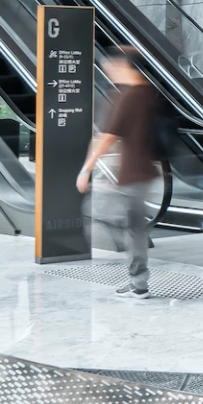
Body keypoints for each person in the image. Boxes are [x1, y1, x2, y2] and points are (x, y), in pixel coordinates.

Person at [75, 48, 162, 298]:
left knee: (104, 214)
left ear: (123, 66)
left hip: (133, 173)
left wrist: (86, 169)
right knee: (134, 226)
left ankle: (139, 282)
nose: (108, 71)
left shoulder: (128, 96)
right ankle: (139, 282)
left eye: (111, 66)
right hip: (146, 170)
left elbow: (107, 138)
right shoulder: (149, 92)